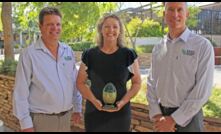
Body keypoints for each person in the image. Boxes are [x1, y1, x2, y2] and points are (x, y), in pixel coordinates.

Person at [147, 2, 214, 132]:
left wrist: (173, 120)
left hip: (189, 120)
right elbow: (151, 83)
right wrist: (157, 114)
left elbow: (203, 90)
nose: (175, 14)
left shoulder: (202, 46)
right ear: (164, 14)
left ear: (187, 14)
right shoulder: (158, 48)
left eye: (180, 10)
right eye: (171, 10)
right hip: (161, 118)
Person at [12, 7, 82, 132]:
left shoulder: (68, 51)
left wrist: (77, 107)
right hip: (41, 121)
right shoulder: (29, 55)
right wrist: (26, 124)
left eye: (58, 24)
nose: (55, 28)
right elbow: (20, 92)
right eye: (50, 24)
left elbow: (74, 82)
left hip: (66, 118)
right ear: (40, 26)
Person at [76, 14, 141, 132]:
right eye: (107, 27)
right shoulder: (89, 55)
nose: (111, 30)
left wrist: (123, 102)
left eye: (115, 27)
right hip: (94, 113)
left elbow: (136, 83)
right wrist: (94, 101)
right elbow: (80, 83)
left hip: (120, 115)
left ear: (120, 30)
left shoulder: (129, 55)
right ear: (101, 29)